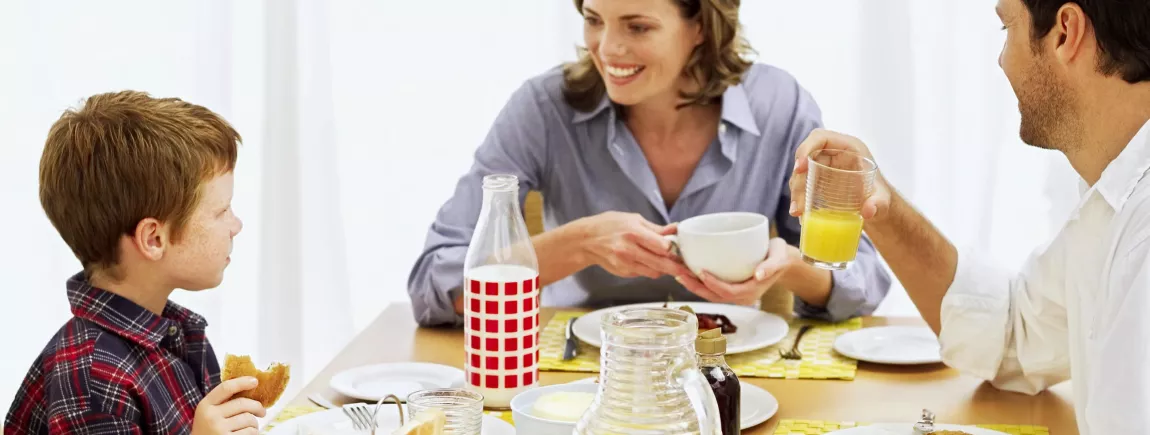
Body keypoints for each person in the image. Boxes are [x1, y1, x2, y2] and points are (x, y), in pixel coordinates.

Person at [408, 0, 892, 327]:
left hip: (734, 377)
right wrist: (578, 244)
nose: (607, 48)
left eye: (637, 26)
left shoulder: (778, 104)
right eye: (594, 19)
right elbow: (436, 281)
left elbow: (863, 279)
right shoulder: (543, 109)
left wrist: (788, 269)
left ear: (700, 27)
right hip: (574, 381)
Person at [787, 0, 1150, 433]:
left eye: (1006, 28)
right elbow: (1012, 336)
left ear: (1065, 33)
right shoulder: (1112, 203)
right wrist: (878, 207)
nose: (1001, 61)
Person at [4, 91, 263, 434]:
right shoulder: (93, 382)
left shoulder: (178, 333)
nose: (236, 225)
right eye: (221, 211)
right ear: (154, 239)